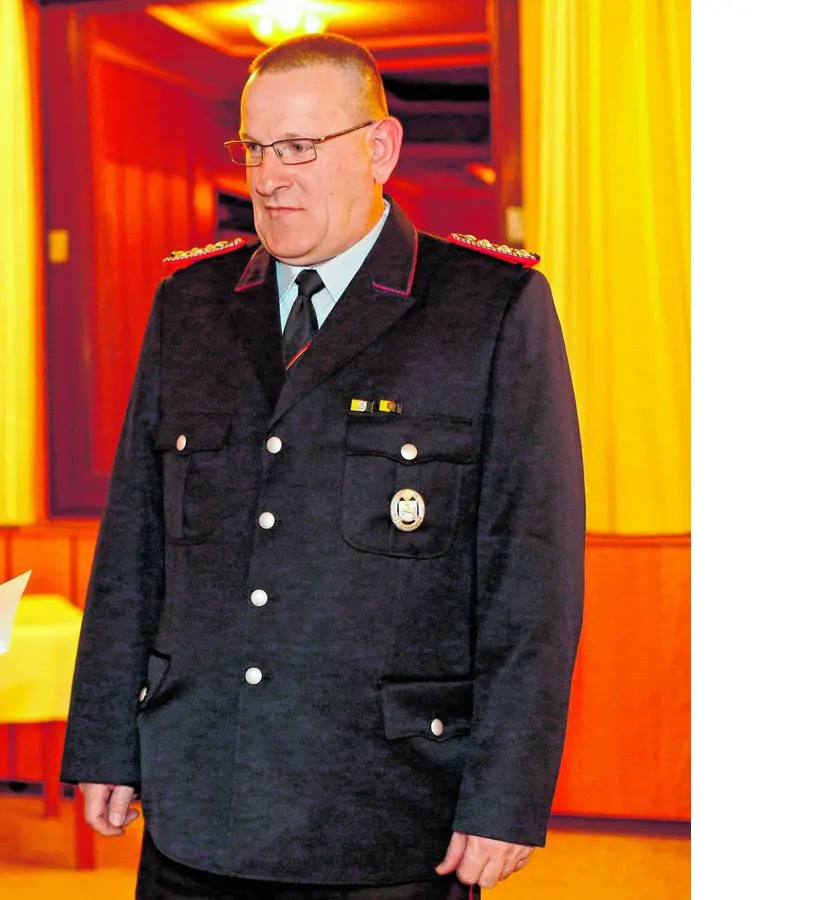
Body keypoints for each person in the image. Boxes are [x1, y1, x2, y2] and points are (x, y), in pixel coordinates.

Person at [59, 33, 584, 899]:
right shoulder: (190, 306)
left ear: (379, 148)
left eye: (299, 147)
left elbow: (532, 578)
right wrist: (106, 740)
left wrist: (506, 796)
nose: (268, 177)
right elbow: (133, 547)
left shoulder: (487, 308)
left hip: (386, 807)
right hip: (200, 797)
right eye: (254, 149)